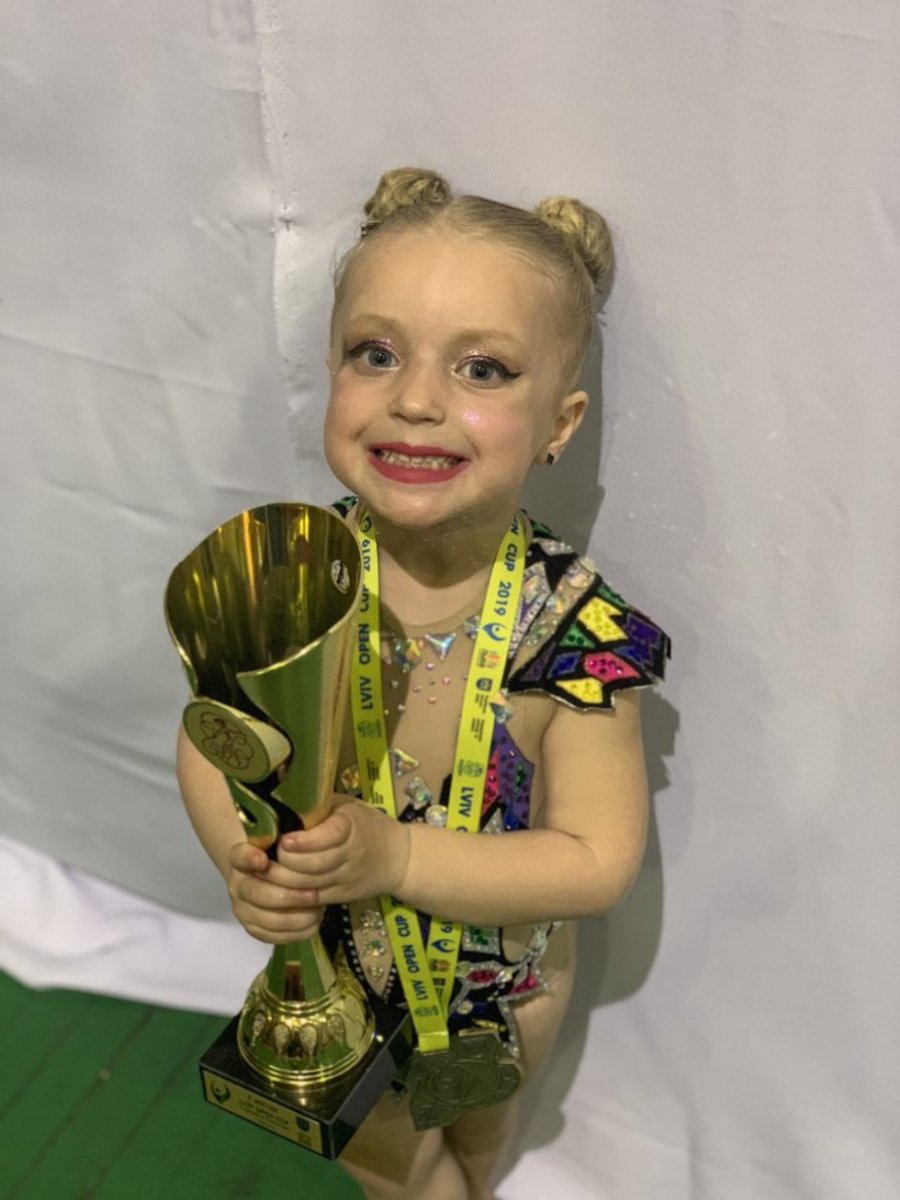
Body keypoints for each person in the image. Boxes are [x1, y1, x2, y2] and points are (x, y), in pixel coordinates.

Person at [177, 167, 670, 1200]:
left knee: (479, 1151)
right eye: (377, 353)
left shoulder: (572, 634)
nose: (414, 399)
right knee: (395, 1173)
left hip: (506, 991)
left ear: (560, 423)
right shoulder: (288, 579)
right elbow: (211, 738)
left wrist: (395, 853)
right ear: (331, 368)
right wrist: (245, 857)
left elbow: (595, 862)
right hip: (341, 978)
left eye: (483, 368)